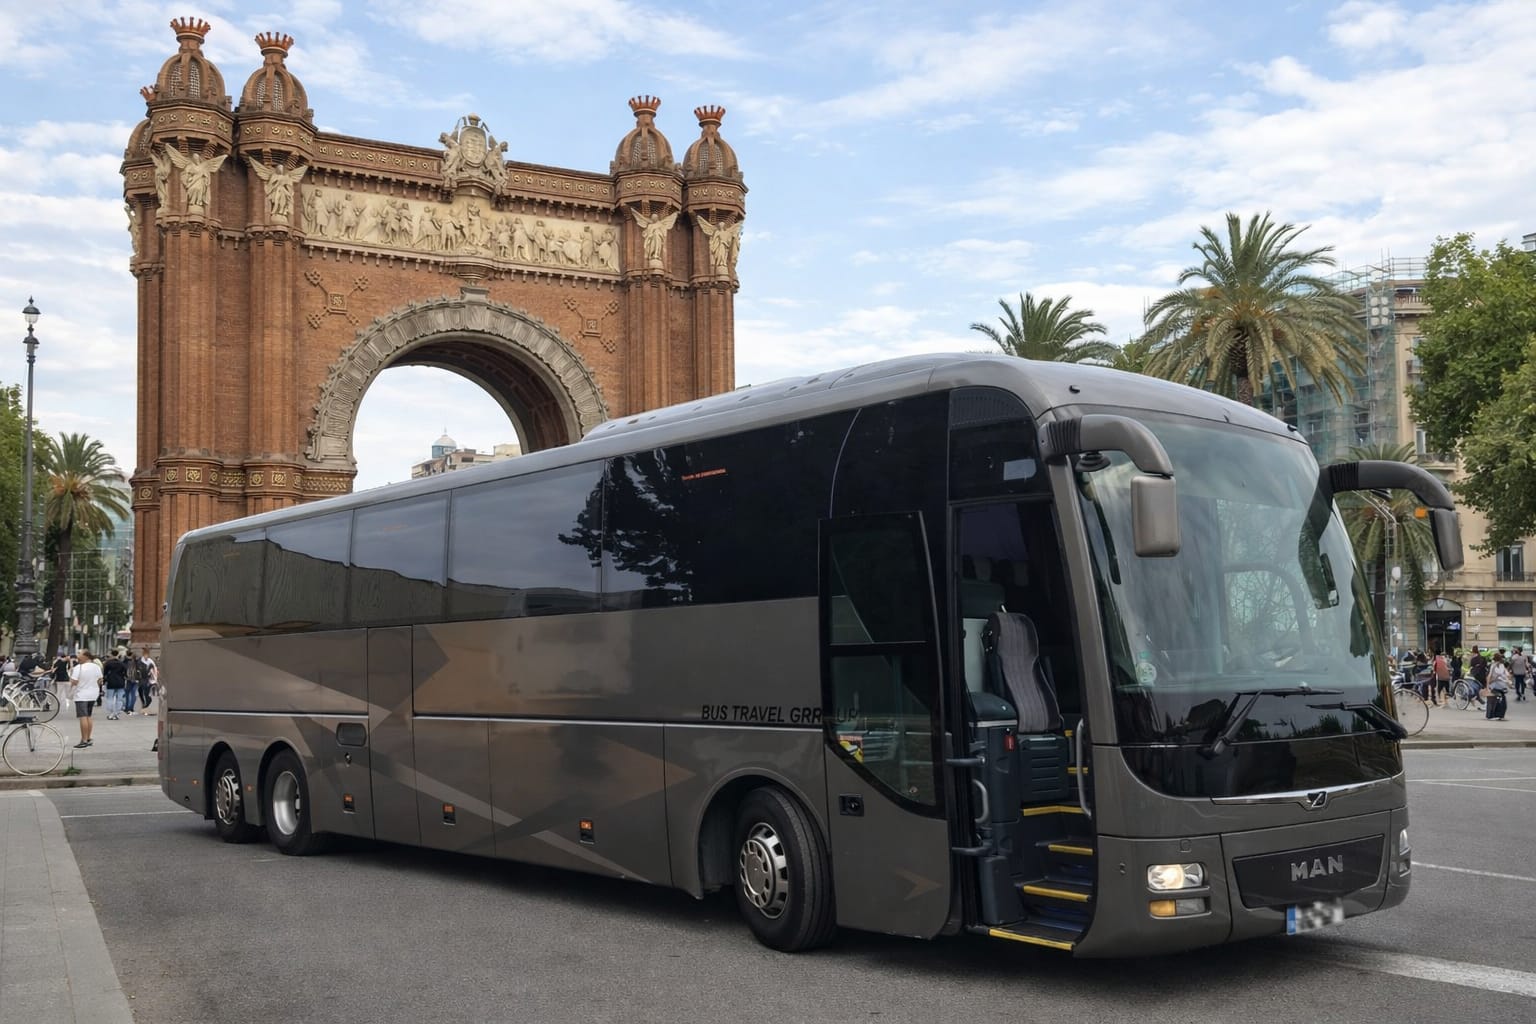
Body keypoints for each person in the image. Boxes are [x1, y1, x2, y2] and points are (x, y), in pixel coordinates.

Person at [68, 651, 102, 748]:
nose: (78, 656)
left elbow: (74, 681)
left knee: (83, 716)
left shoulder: (79, 667)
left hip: (81, 695)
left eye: (80, 654)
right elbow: (100, 680)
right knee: (88, 716)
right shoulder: (96, 667)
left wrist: (71, 679)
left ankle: (83, 740)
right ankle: (88, 738)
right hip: (93, 694)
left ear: (86, 656)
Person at [101, 650, 127, 719]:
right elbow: (125, 673)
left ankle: (111, 712)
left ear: (111, 654)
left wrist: (104, 681)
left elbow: (105, 673)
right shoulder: (121, 663)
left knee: (110, 698)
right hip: (120, 682)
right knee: (119, 699)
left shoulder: (108, 663)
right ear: (118, 654)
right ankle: (117, 713)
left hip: (111, 682)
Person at [1486, 653, 1510, 720]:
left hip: (1495, 685)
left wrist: (1487, 686)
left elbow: (1489, 676)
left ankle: (1493, 715)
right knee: (1501, 700)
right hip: (1500, 685)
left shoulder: (1493, 666)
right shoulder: (1500, 666)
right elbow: (1506, 675)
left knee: (1497, 700)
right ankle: (1500, 715)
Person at [137, 647, 158, 712]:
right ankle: (144, 702)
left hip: (147, 679)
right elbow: (137, 669)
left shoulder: (150, 662)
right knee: (140, 691)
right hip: (141, 679)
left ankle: (147, 703)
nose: (146, 656)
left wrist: (154, 679)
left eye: (147, 655)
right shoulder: (140, 661)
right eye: (145, 654)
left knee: (146, 691)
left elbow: (154, 670)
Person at [121, 648, 139, 714]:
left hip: (128, 679)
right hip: (135, 679)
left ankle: (126, 708)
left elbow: (122, 670)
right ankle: (131, 708)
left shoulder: (125, 662)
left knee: (127, 694)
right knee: (133, 694)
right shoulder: (136, 661)